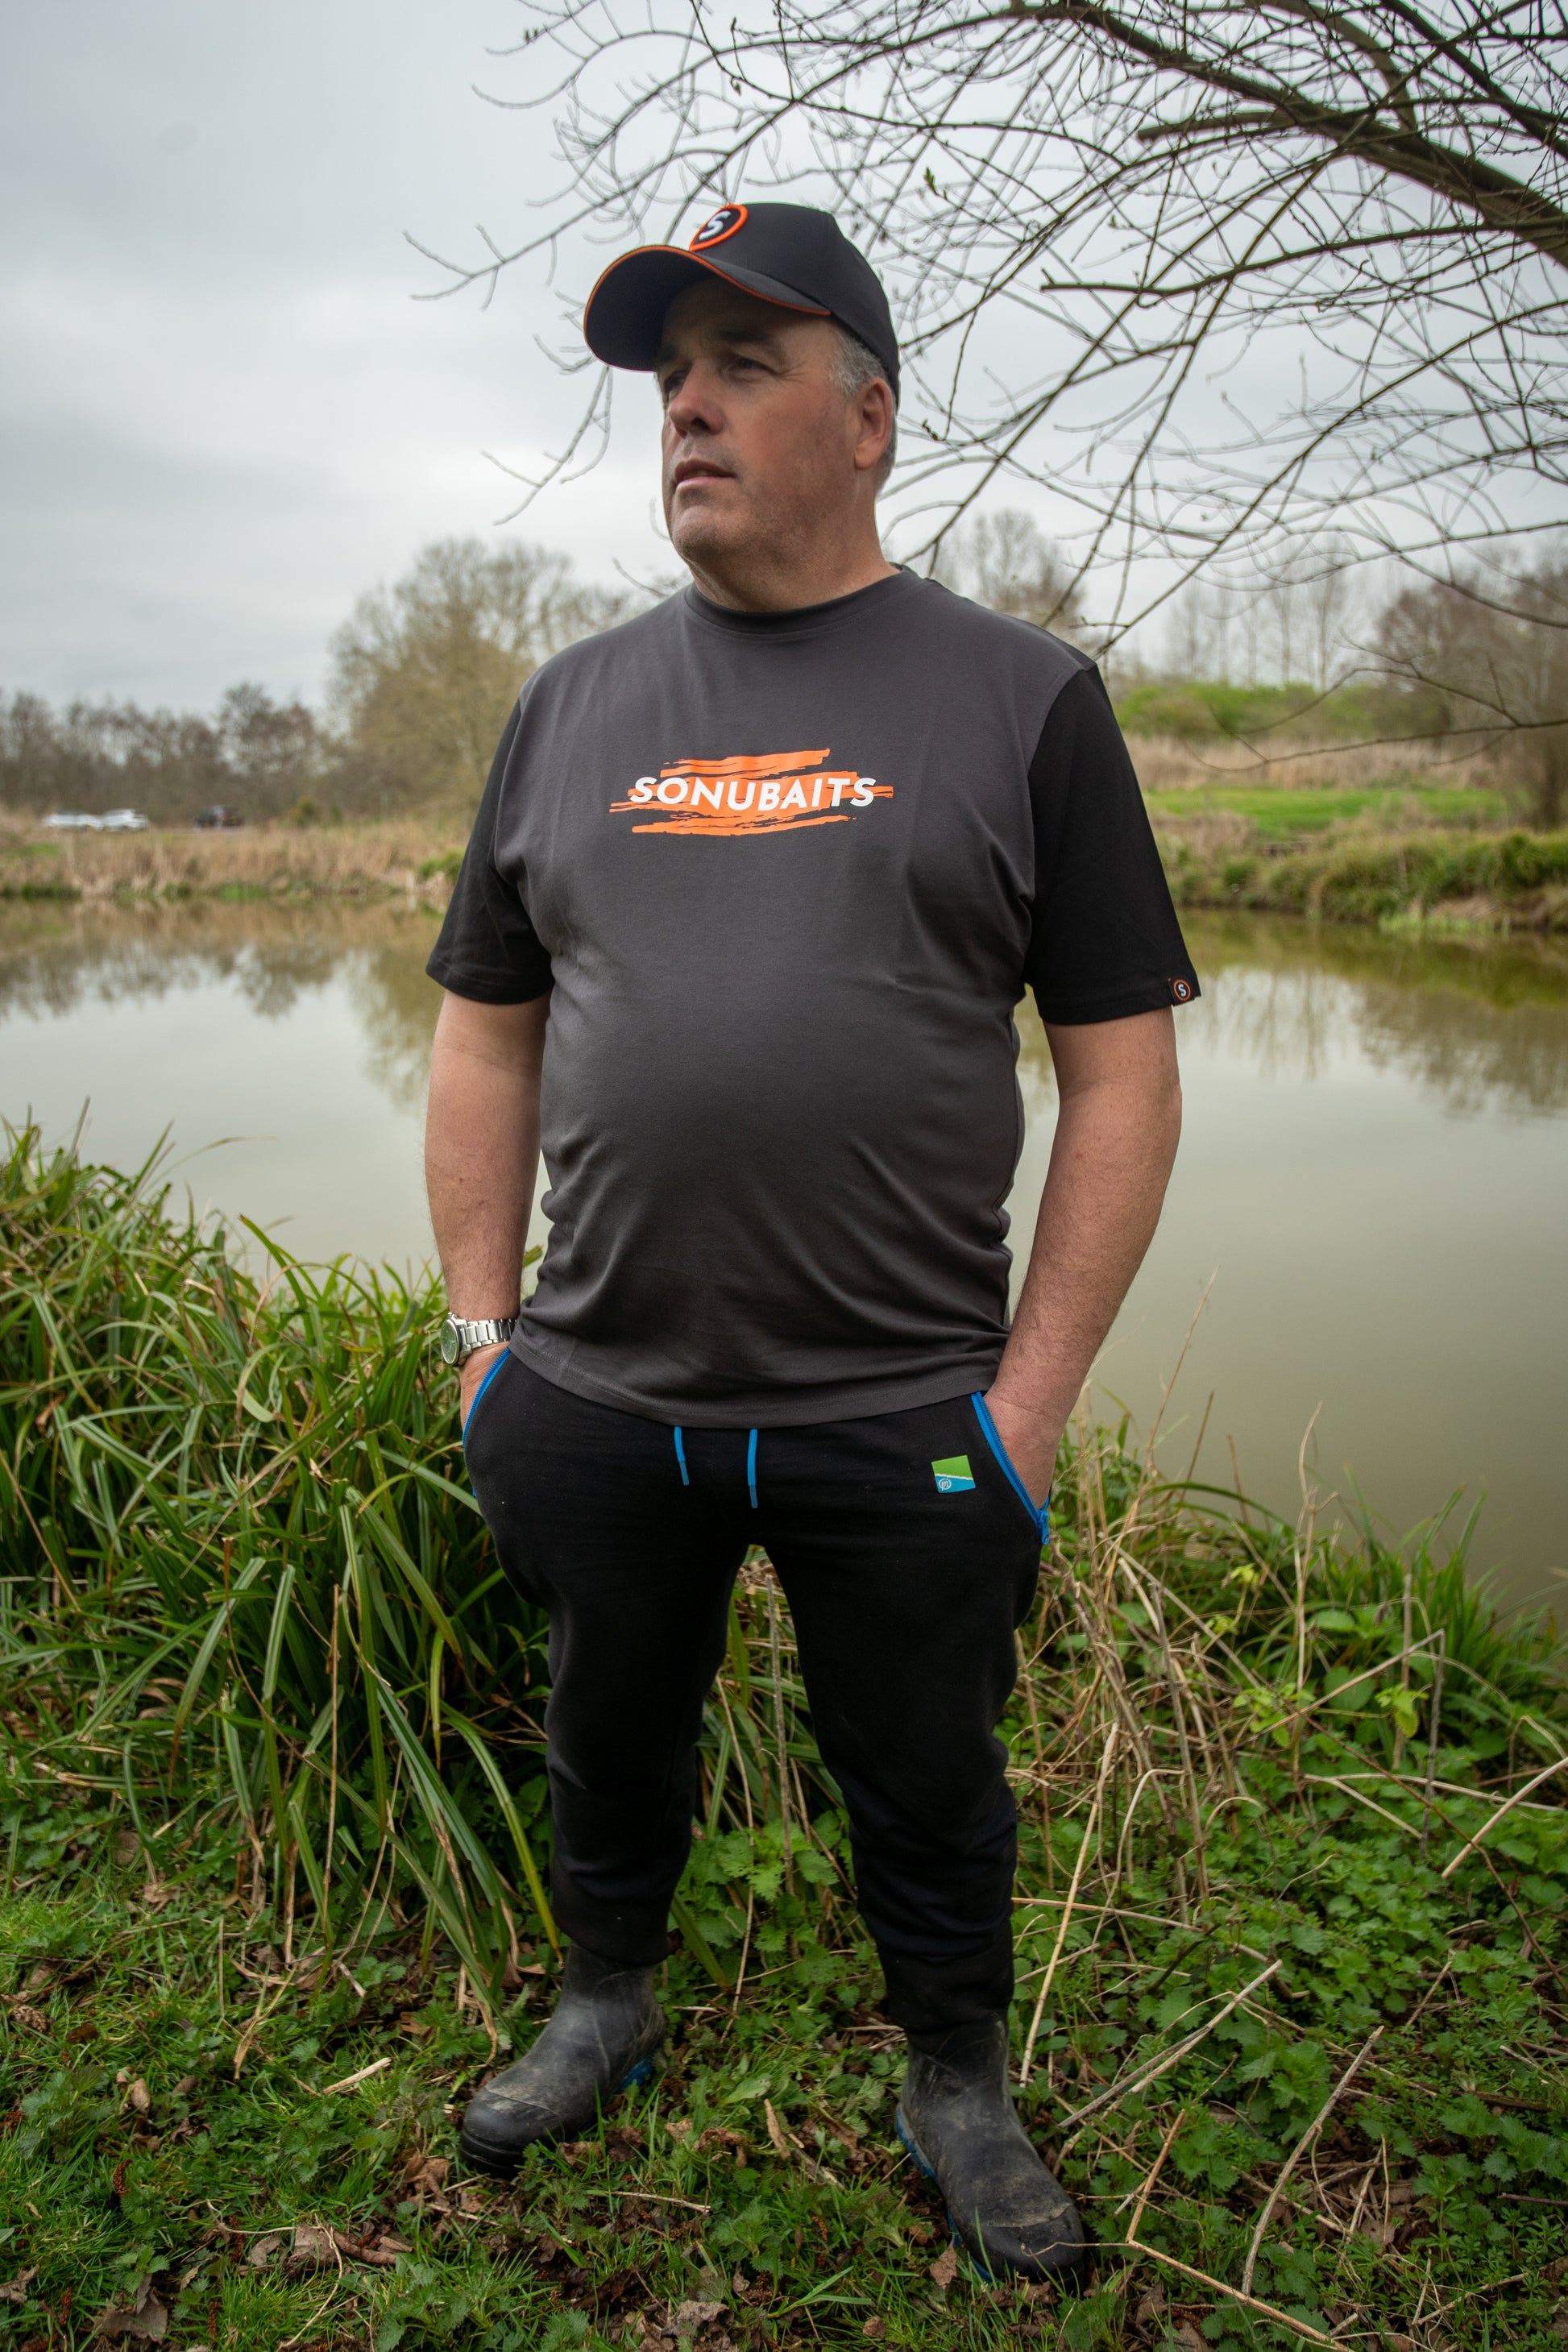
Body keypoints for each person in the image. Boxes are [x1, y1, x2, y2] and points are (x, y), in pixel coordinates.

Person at [424, 200, 1197, 2281]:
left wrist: (1028, 1408)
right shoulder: (566, 706)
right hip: (599, 1391)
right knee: (608, 1731)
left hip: (900, 1409)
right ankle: (603, 2000)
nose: (686, 406)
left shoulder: (1024, 702)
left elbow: (1123, 1082)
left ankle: (957, 2080)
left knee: (926, 1775)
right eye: (670, 376)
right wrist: (484, 1344)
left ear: (866, 420)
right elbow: (483, 1038)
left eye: (742, 367)